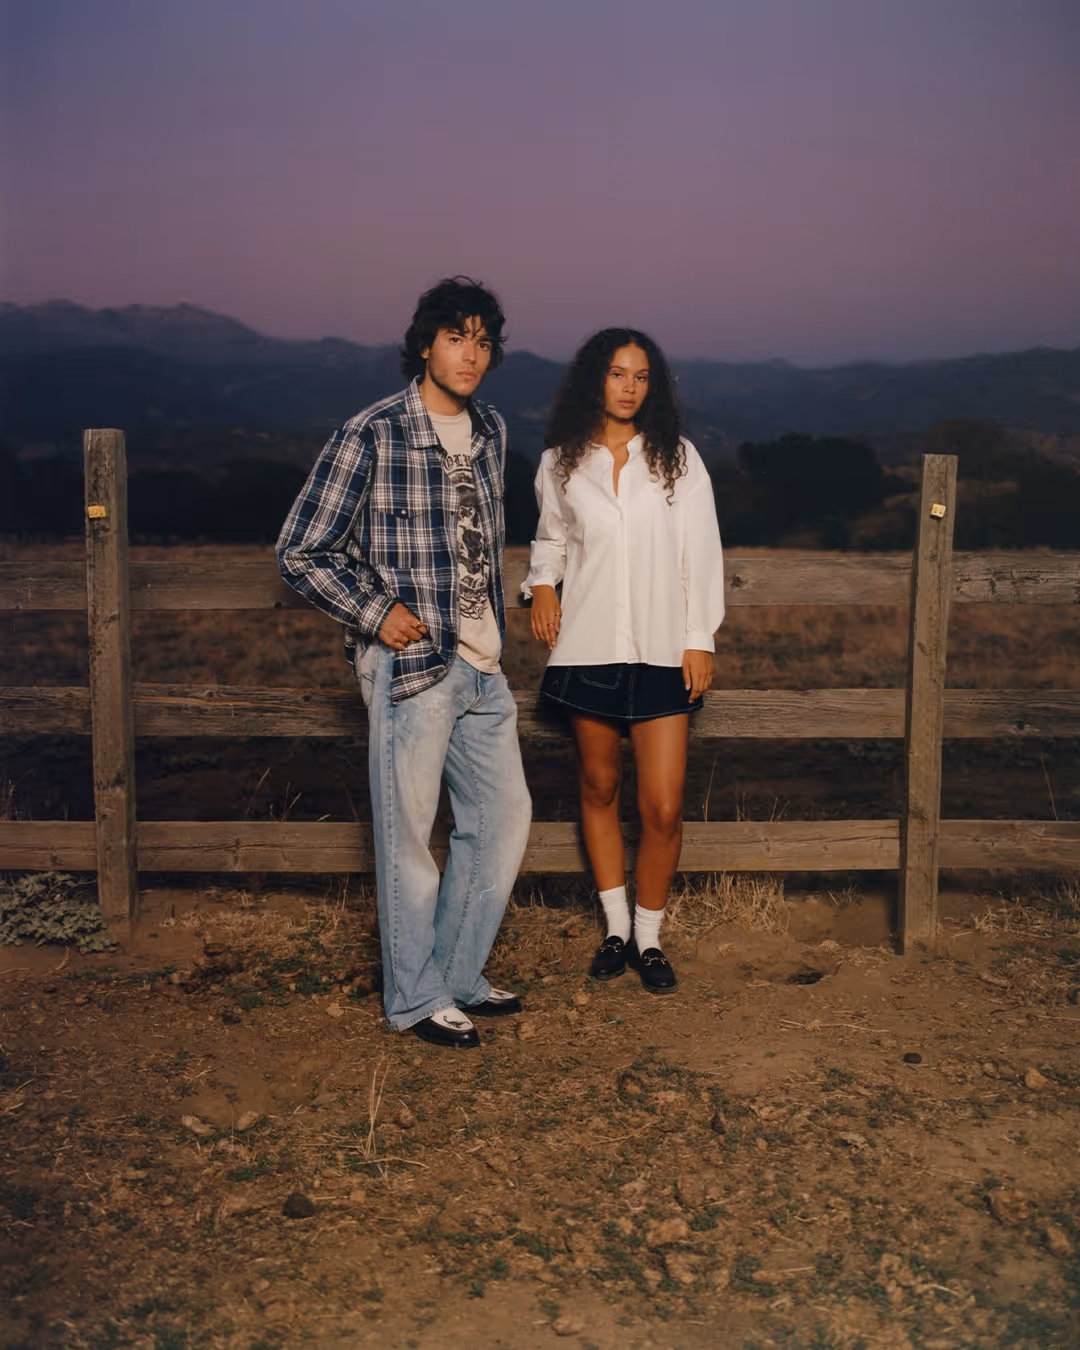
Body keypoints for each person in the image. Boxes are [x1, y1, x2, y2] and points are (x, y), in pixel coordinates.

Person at [277, 277, 531, 1049]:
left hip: (483, 663)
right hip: (412, 667)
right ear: (425, 345)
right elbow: (301, 550)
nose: (471, 354)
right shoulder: (373, 432)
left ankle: (455, 974)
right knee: (409, 841)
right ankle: (415, 998)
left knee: (502, 821)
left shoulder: (491, 430)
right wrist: (375, 611)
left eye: (483, 341)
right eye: (456, 338)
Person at [523, 328, 724, 993]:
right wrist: (542, 584)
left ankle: (650, 936)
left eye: (640, 376)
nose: (629, 387)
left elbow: (702, 550)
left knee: (662, 806)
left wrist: (699, 636)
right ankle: (615, 929)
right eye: (617, 373)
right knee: (599, 787)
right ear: (595, 379)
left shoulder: (678, 460)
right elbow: (551, 539)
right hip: (588, 648)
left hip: (664, 651)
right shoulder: (560, 463)